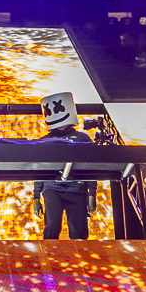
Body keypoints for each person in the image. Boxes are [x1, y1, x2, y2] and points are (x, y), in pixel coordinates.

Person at [31, 91, 95, 240]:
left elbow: (92, 166)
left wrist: (92, 192)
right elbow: (39, 169)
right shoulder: (44, 141)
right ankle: (50, 254)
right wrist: (36, 196)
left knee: (79, 233)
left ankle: (80, 256)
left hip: (77, 188)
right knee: (52, 227)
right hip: (52, 188)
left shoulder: (82, 138)